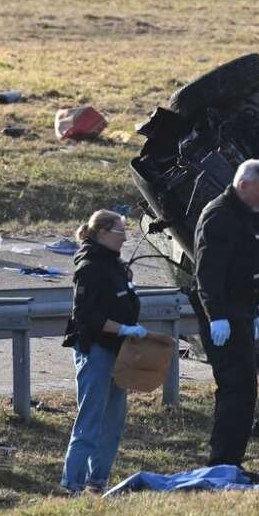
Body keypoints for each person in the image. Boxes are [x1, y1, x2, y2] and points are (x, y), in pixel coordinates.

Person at [189, 158, 259, 468]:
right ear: (243, 186)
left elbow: (249, 264)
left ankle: (231, 458)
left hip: (240, 309)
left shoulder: (248, 214)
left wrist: (253, 310)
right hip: (223, 311)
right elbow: (209, 271)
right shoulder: (220, 216)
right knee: (235, 386)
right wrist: (216, 315)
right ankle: (223, 460)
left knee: (245, 389)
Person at [60, 209, 148, 494]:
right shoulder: (89, 267)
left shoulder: (116, 266)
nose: (125, 238)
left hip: (119, 352)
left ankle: (97, 482)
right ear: (102, 234)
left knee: (113, 422)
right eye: (120, 232)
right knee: (90, 420)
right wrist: (122, 329)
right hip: (95, 351)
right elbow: (85, 316)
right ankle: (72, 484)